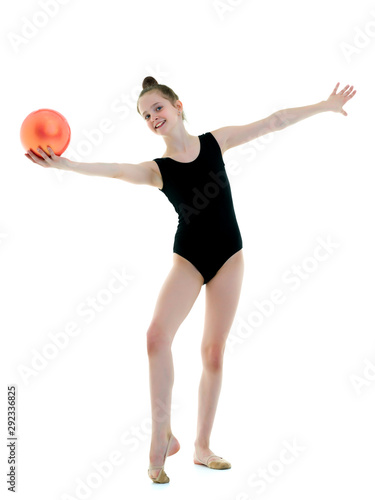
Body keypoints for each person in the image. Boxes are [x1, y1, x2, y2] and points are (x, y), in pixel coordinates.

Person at [25, 77, 356, 483]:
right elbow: (114, 170)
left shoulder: (217, 142)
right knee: (155, 336)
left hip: (229, 257)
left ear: (178, 106)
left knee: (213, 352)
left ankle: (201, 446)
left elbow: (275, 120)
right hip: (190, 258)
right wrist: (65, 164)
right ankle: (161, 435)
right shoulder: (157, 170)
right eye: (146, 115)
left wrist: (324, 105)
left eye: (158, 108)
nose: (153, 117)